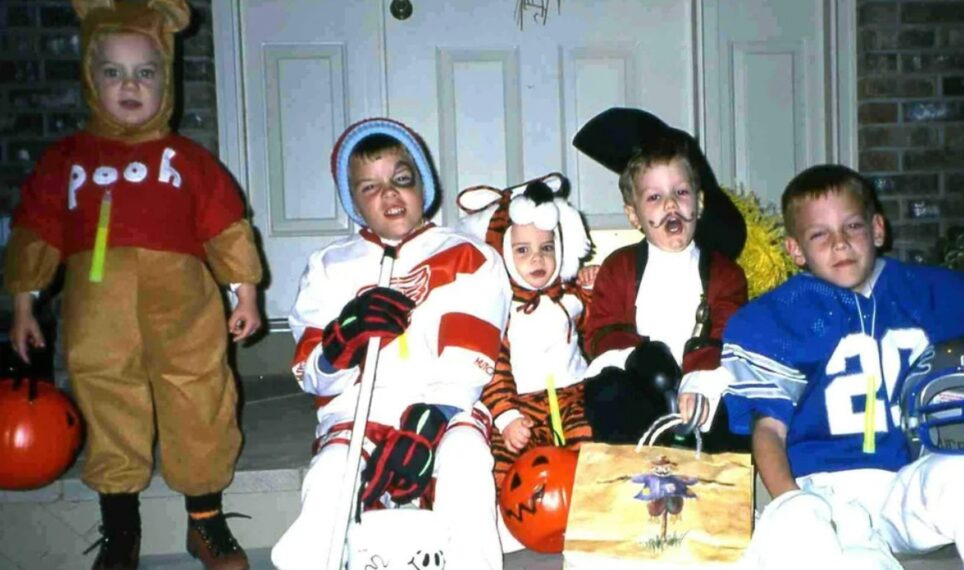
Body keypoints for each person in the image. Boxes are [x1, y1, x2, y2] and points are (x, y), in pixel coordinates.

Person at [4, 0, 263, 570]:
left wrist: (243, 292)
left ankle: (206, 521)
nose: (130, 86)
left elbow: (227, 228)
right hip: (98, 310)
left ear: (165, 80)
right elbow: (36, 231)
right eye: (114, 73)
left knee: (199, 398)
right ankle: (120, 528)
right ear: (90, 79)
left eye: (145, 73)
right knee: (106, 399)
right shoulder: (65, 160)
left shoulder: (189, 161)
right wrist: (24, 304)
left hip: (185, 309)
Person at [722, 163, 964, 570]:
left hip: (909, 479)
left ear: (877, 229)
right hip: (823, 495)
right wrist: (791, 501)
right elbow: (768, 431)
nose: (840, 244)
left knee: (963, 476)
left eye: (852, 227)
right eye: (820, 235)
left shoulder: (936, 295)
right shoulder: (780, 316)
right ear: (795, 250)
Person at [271, 117, 511, 570]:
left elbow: (472, 350)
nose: (389, 194)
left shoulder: (468, 255)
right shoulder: (329, 266)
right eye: (369, 188)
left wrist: (429, 420)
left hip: (445, 409)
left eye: (402, 179)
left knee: (466, 461)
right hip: (358, 412)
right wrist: (341, 343)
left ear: (424, 185)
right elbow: (311, 373)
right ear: (353, 204)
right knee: (330, 478)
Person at [573, 107, 749, 452]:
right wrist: (640, 359)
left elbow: (728, 333)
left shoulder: (724, 272)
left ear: (698, 204)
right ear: (634, 216)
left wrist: (700, 381)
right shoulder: (619, 266)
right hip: (639, 386)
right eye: (654, 198)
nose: (670, 205)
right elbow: (601, 332)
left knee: (739, 407)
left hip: (703, 388)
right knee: (607, 393)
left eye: (681, 193)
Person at [457, 173, 598, 496]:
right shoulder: (501, 310)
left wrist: (591, 290)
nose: (537, 258)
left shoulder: (569, 297)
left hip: (574, 394)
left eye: (547, 247)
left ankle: (589, 506)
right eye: (522, 250)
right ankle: (497, 511)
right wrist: (506, 417)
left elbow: (594, 331)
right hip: (522, 404)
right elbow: (492, 368)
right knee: (502, 462)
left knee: (593, 440)